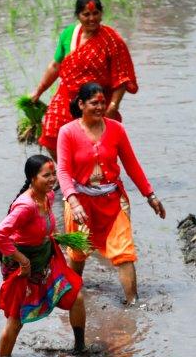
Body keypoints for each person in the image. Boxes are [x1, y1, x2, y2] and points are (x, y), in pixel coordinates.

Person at [57, 82, 165, 305]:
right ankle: (72, 296)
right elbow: (63, 171)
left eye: (102, 103)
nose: (99, 107)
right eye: (94, 103)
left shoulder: (117, 129)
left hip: (113, 200)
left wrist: (150, 195)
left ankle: (132, 303)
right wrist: (73, 201)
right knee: (78, 253)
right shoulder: (67, 133)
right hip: (81, 203)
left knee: (124, 252)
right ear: (81, 104)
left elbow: (131, 165)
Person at [0, 154, 86, 357]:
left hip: (45, 262)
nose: (52, 179)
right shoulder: (25, 206)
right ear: (33, 178)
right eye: (46, 175)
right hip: (23, 269)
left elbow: (40, 227)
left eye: (54, 174)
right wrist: (23, 260)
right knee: (16, 321)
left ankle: (80, 349)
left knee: (76, 296)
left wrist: (51, 236)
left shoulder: (48, 196)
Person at [31, 0, 138, 158]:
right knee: (51, 134)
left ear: (101, 14)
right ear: (78, 15)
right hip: (67, 95)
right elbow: (55, 66)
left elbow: (121, 78)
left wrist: (112, 107)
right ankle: (67, 174)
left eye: (96, 13)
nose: (92, 18)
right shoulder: (69, 34)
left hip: (95, 100)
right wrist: (38, 91)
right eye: (86, 14)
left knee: (95, 145)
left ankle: (93, 178)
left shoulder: (112, 40)